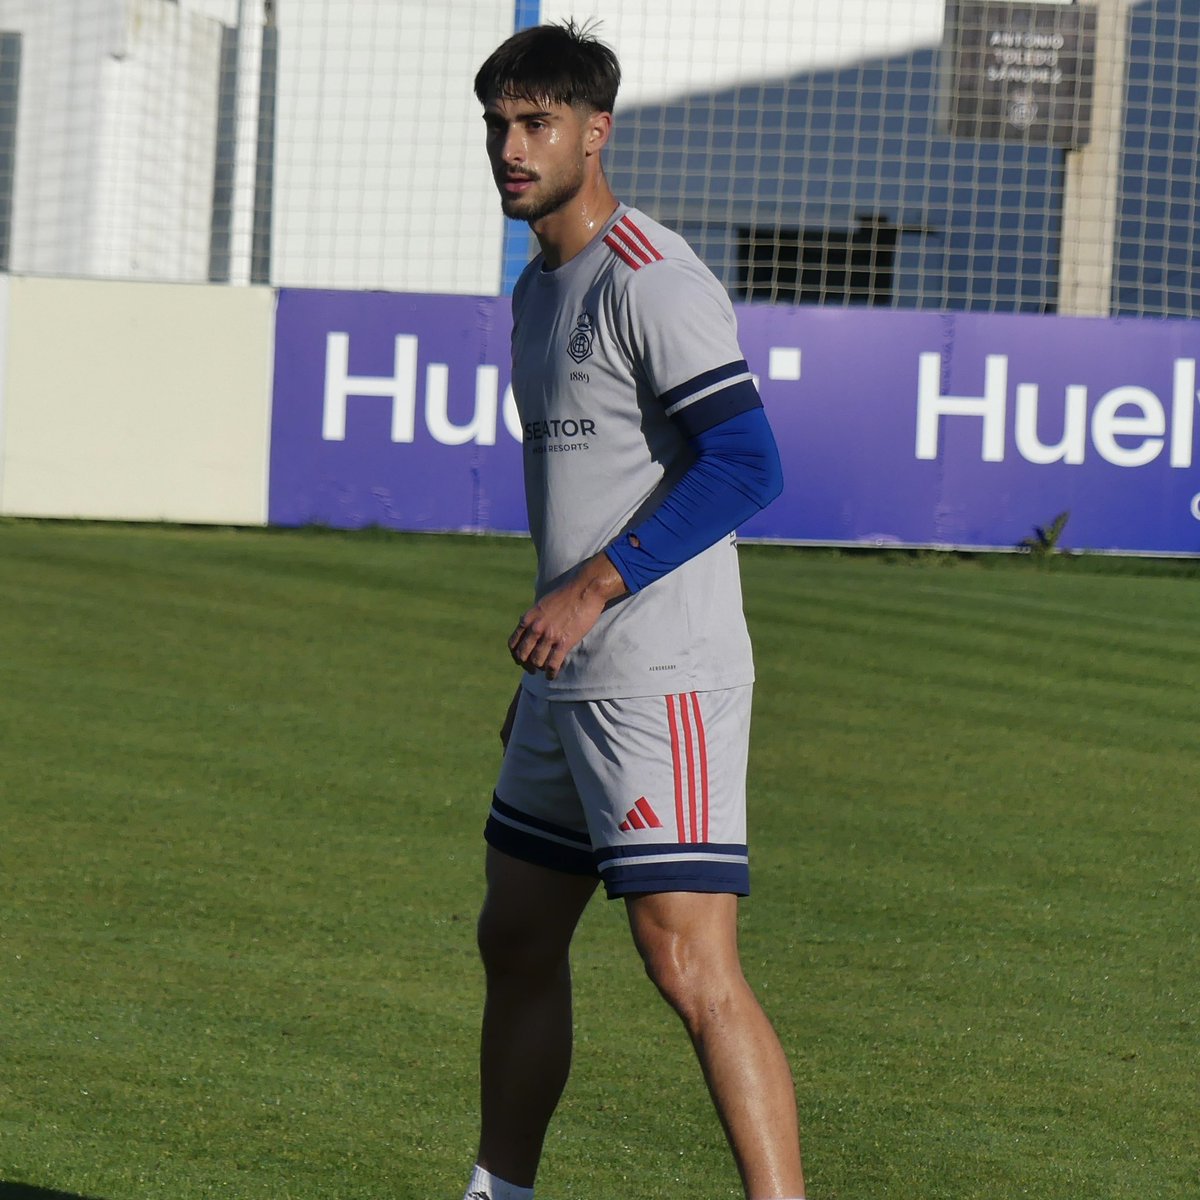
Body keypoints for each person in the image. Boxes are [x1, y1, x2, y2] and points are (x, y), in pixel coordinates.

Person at [462, 20, 806, 1200]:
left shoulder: (650, 276)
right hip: (566, 681)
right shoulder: (536, 289)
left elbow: (749, 464)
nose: (513, 148)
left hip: (662, 676)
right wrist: (544, 665)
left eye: (538, 123)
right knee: (514, 935)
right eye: (499, 125)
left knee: (688, 965)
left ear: (596, 131)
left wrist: (592, 588)